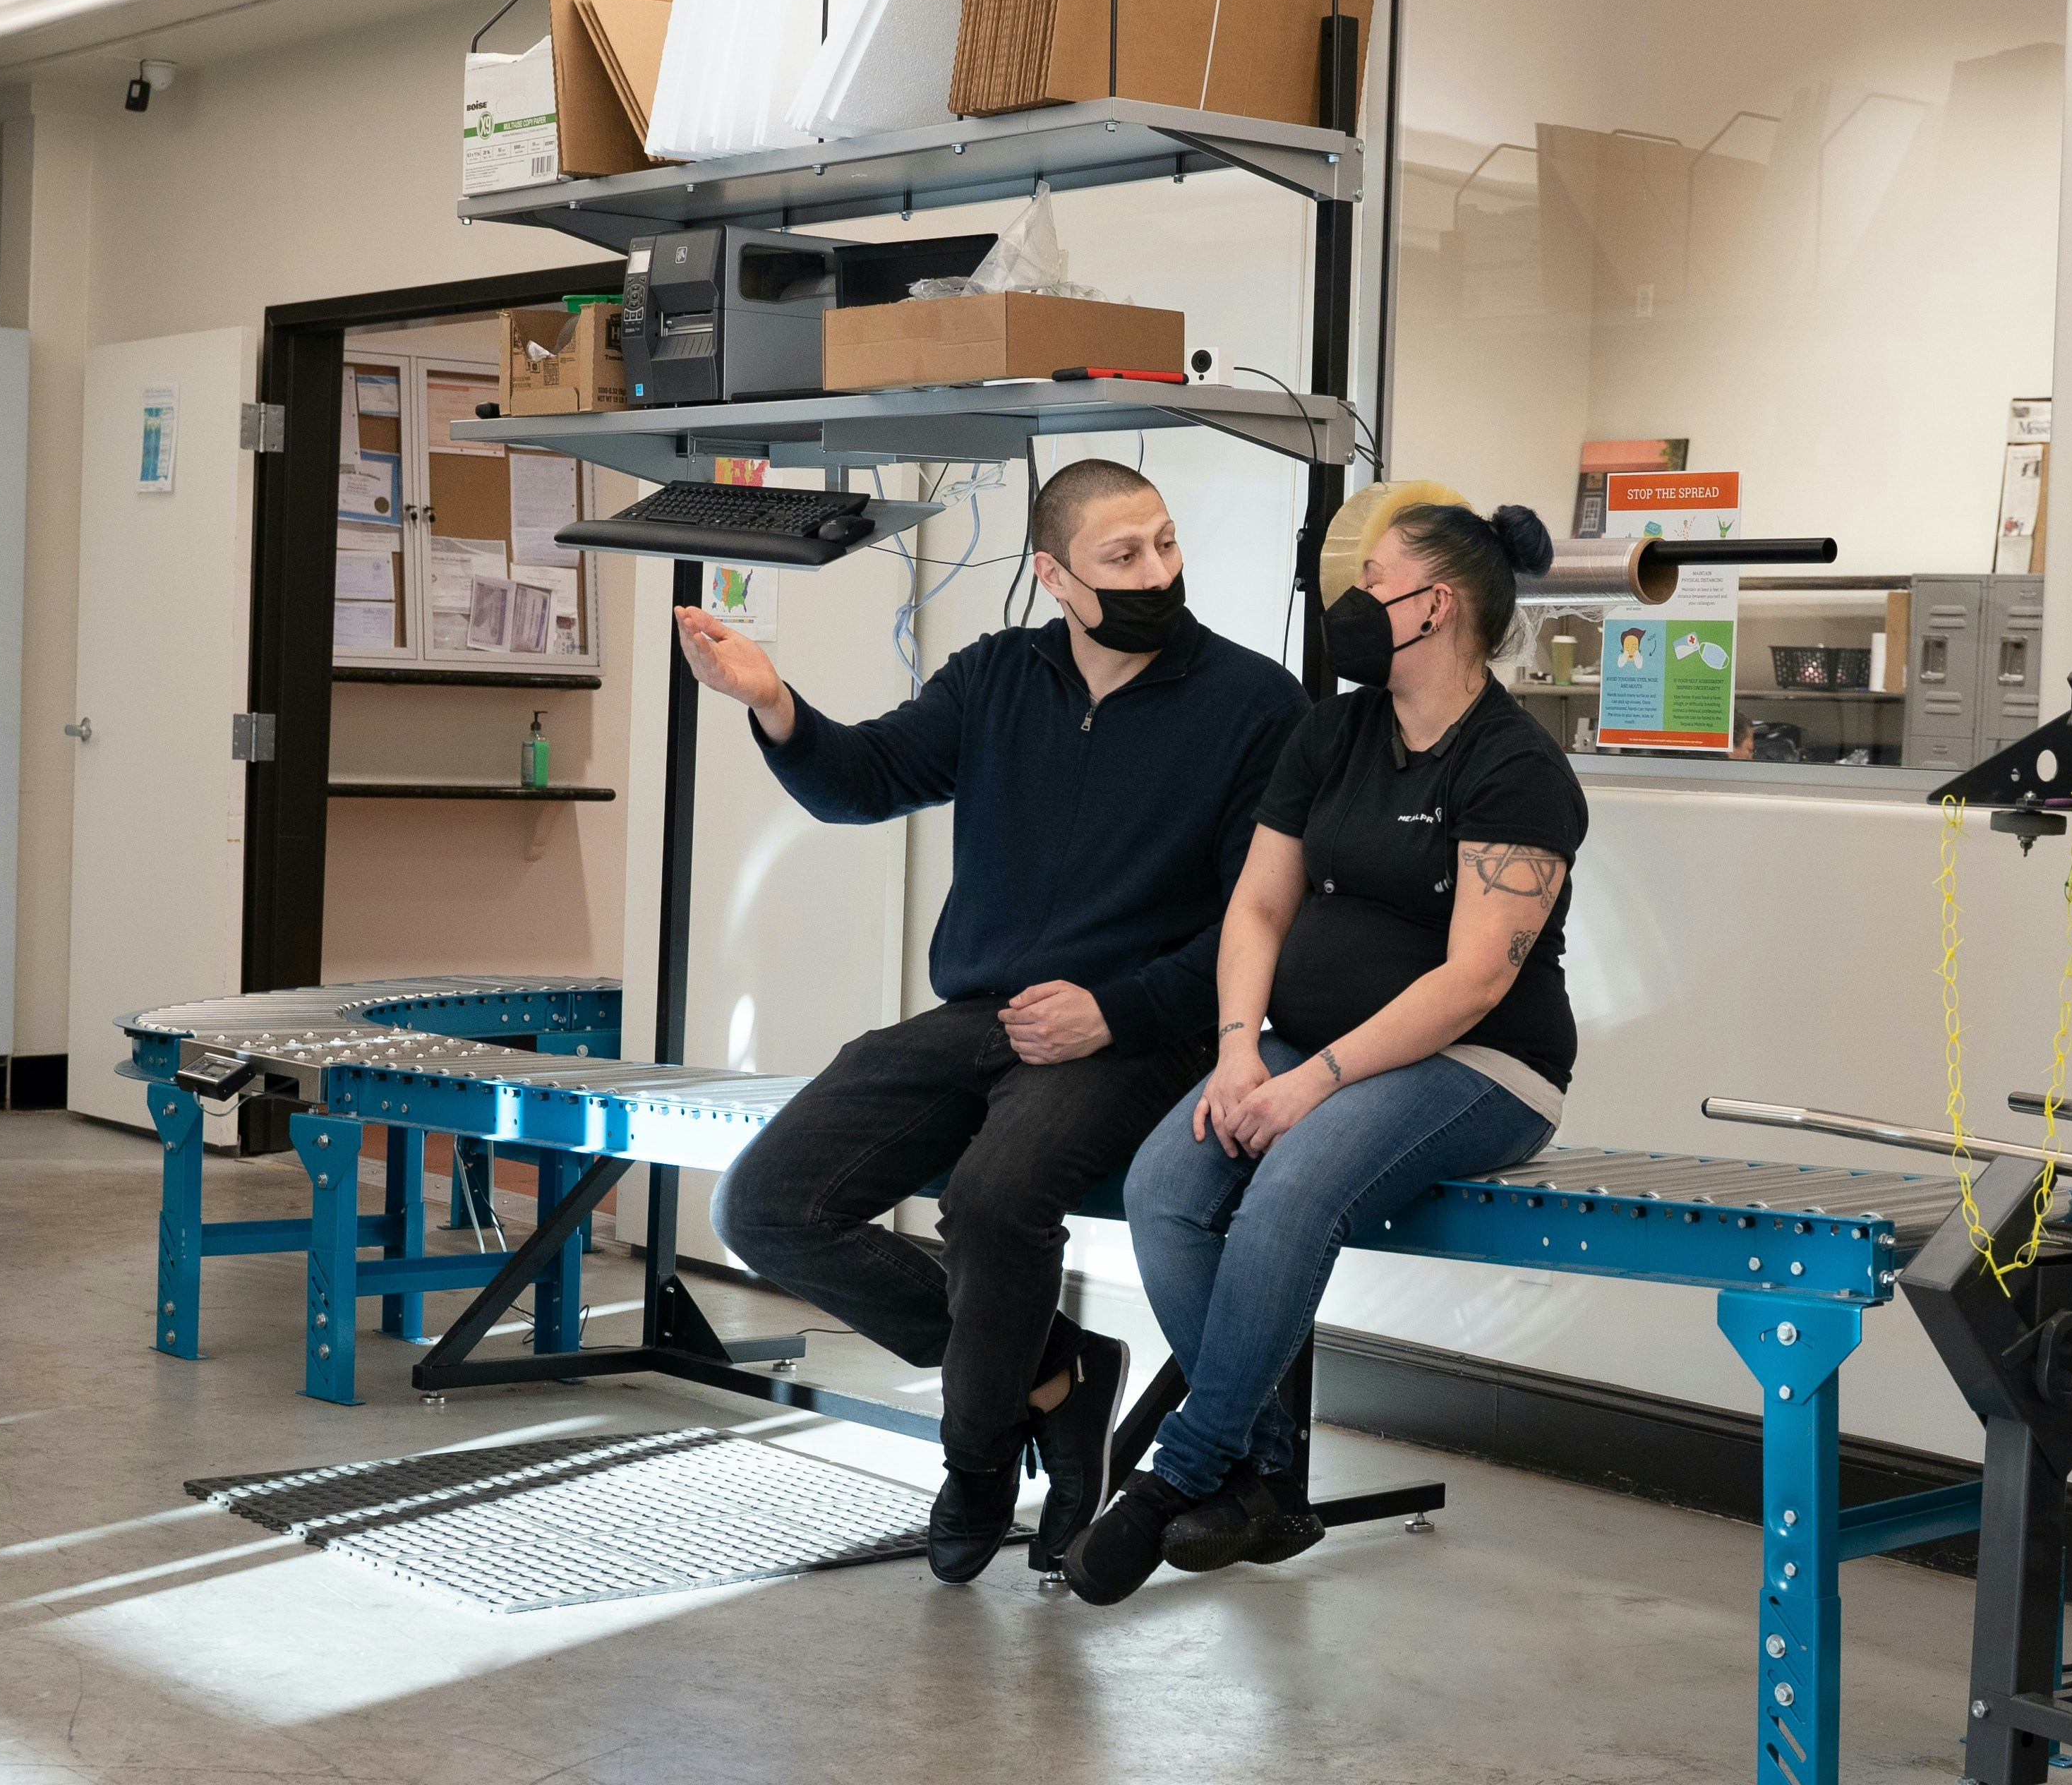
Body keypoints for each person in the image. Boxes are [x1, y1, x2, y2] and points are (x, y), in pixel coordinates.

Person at [673, 459, 1307, 1586]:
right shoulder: (996, 678)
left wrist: (1113, 1010)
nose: (1158, 570)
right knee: (764, 1206)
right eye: (1124, 556)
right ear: (1054, 574)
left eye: (1165, 542)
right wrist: (773, 700)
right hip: (984, 1014)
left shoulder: (1256, 706)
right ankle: (1055, 1378)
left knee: (995, 1199)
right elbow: (862, 779)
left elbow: (1255, 922)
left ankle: (972, 1467)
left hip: (1137, 1032)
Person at [1066, 500, 1588, 1606]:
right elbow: (1258, 907)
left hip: (1483, 1065)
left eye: (1374, 581)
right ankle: (1263, 1473)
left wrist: (1316, 1080)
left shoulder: (1516, 769)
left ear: (1432, 605)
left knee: (1291, 1190)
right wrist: (1239, 1052)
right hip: (1305, 1048)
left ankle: (1179, 1477)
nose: (1347, 606)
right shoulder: (1334, 733)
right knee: (1166, 1181)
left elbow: (1476, 980)